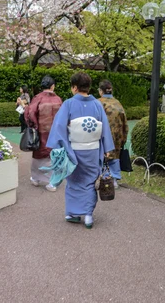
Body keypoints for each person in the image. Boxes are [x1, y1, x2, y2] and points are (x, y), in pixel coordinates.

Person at [46, 72, 114, 229]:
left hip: (74, 150)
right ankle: (89, 216)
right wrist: (107, 148)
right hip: (93, 150)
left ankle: (73, 214)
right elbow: (105, 129)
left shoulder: (69, 104)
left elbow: (59, 127)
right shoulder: (97, 104)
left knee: (74, 181)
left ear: (74, 87)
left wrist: (59, 147)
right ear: (88, 87)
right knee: (90, 182)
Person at [24, 76, 63, 191]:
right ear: (52, 86)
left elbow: (30, 113)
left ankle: (36, 178)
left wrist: (34, 125)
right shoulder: (58, 99)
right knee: (54, 156)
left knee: (38, 155)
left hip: (41, 132)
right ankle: (52, 182)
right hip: (55, 133)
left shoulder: (38, 98)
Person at [98, 80, 128, 189]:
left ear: (100, 91)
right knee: (115, 157)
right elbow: (125, 123)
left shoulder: (98, 103)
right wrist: (123, 138)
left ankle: (105, 178)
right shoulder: (118, 103)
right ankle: (114, 179)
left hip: (102, 135)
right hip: (117, 136)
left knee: (103, 156)